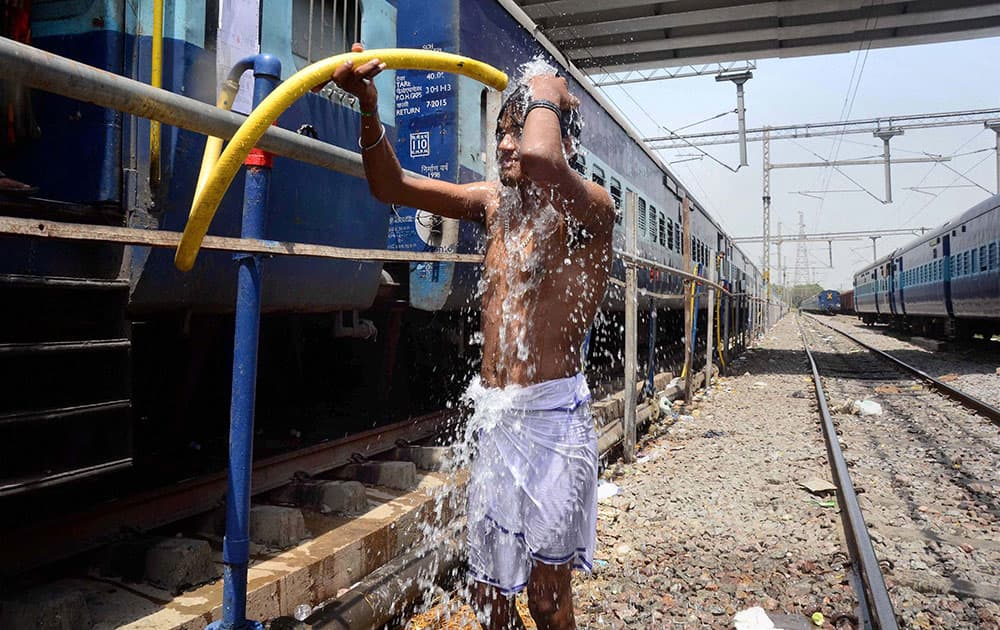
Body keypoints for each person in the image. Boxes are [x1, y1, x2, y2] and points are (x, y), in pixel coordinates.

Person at [332, 44, 613, 630]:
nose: (506, 144)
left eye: (517, 130)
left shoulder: (592, 210)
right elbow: (390, 186)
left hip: (554, 423)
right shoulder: (493, 203)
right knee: (487, 598)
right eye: (500, 132)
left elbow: (540, 156)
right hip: (499, 418)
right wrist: (366, 105)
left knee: (546, 599)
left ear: (561, 138)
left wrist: (550, 85)